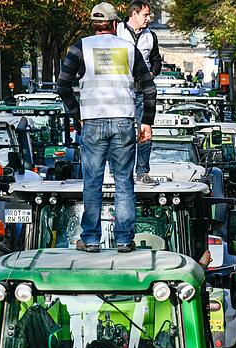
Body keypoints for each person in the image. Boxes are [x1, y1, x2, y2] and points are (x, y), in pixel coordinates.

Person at [57, 2, 156, 253]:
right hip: (124, 121)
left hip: (92, 122)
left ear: (94, 25)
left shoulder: (81, 47)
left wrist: (77, 113)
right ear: (114, 25)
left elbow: (63, 84)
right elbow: (148, 86)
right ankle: (124, 239)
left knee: (92, 181)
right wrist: (147, 122)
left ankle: (90, 239)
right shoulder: (129, 48)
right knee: (124, 182)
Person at [116, 0, 162, 184]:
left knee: (145, 131)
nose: (148, 19)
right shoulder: (117, 31)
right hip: (120, 91)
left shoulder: (151, 36)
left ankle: (142, 172)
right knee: (121, 132)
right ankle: (120, 171)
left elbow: (156, 59)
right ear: (134, 14)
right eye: (145, 15)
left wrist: (152, 72)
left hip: (143, 90)